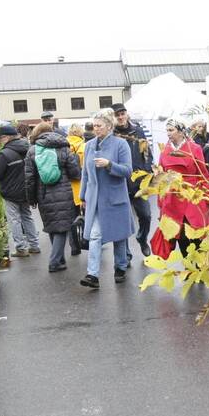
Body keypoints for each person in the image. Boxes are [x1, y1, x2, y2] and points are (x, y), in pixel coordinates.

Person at [79, 109, 135, 289]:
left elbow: (128, 171)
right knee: (95, 236)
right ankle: (92, 275)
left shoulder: (121, 145)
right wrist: (82, 196)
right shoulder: (88, 146)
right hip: (94, 199)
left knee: (119, 236)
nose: (95, 129)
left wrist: (109, 164)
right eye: (93, 126)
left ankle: (120, 266)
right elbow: (85, 174)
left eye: (99, 126)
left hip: (115, 197)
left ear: (109, 126)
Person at [24, 121, 80, 272]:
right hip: (64, 192)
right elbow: (75, 173)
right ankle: (55, 261)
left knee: (52, 226)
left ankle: (60, 260)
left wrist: (31, 199)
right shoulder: (63, 148)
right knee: (62, 228)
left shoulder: (32, 151)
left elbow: (29, 179)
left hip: (43, 194)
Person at [156, 119, 209, 254]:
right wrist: (161, 199)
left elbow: (202, 173)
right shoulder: (165, 150)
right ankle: (188, 269)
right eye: (167, 130)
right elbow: (161, 177)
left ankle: (200, 269)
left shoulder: (194, 148)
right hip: (173, 196)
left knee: (197, 232)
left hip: (192, 193)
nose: (168, 133)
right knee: (181, 235)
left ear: (180, 131)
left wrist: (207, 195)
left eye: (171, 130)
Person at [0, 124, 40, 258]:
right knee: (27, 216)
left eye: (1, 138)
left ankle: (21, 248)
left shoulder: (5, 153)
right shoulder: (29, 148)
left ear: (6, 137)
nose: (0, 140)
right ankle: (34, 245)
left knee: (14, 219)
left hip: (11, 192)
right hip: (27, 190)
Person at [112, 102, 153, 257]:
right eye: (117, 115)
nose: (121, 117)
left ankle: (142, 239)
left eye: (123, 113)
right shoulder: (112, 134)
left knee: (146, 215)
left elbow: (147, 153)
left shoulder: (138, 131)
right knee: (122, 220)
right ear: (114, 118)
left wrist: (147, 171)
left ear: (126, 114)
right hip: (120, 182)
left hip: (138, 182)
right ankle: (125, 254)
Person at [66, 123, 88, 256]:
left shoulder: (63, 146)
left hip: (68, 186)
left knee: (71, 218)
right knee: (87, 216)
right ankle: (86, 240)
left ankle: (74, 246)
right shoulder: (84, 146)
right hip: (82, 186)